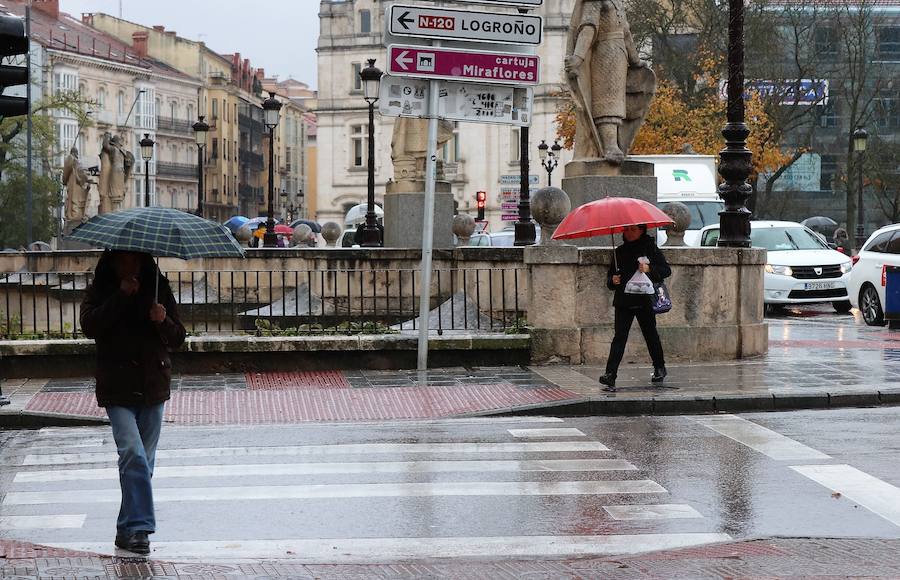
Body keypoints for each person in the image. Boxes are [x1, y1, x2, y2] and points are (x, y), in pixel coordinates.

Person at [80, 251, 185, 555]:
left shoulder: (158, 287)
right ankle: (139, 530)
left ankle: (126, 528)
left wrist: (163, 320)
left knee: (142, 463)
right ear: (112, 262)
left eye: (135, 261)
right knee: (133, 454)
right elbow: (89, 326)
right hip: (117, 386)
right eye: (123, 261)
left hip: (153, 385)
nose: (130, 267)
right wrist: (120, 297)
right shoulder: (101, 289)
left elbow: (178, 336)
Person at [598, 225, 671, 391]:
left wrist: (649, 269)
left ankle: (659, 367)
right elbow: (611, 278)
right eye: (626, 229)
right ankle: (610, 374)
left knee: (650, 335)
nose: (629, 233)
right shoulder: (619, 251)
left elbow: (666, 270)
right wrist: (613, 280)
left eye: (633, 229)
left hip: (645, 300)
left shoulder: (650, 248)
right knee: (619, 338)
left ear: (641, 230)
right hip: (624, 301)